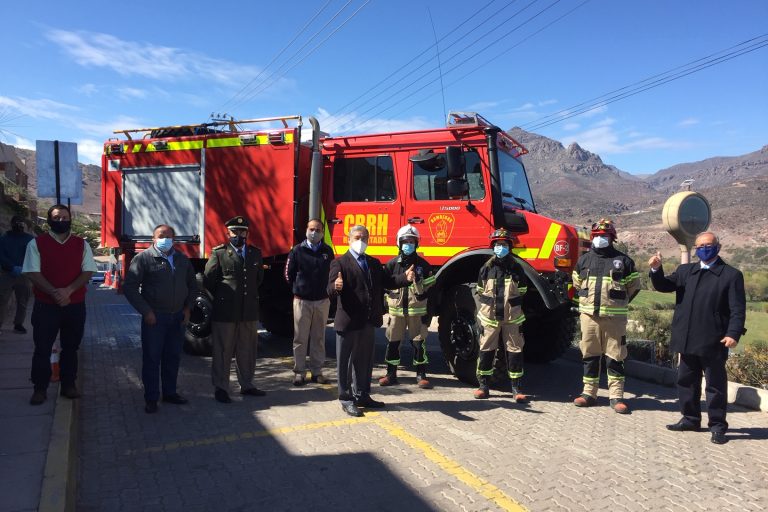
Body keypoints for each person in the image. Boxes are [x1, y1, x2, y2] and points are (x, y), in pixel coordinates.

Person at [649, 231, 746, 445]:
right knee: (686, 382)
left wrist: (733, 333)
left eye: (708, 245)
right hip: (687, 337)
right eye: (700, 246)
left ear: (718, 247)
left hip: (714, 340)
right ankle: (690, 419)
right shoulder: (686, 271)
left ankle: (718, 426)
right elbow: (663, 285)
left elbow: (738, 309)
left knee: (715, 386)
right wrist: (656, 269)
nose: (703, 249)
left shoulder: (731, 275)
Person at [328, 225, 415, 417]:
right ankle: (346, 398)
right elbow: (330, 290)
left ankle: (363, 394)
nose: (361, 241)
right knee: (346, 362)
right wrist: (336, 286)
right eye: (358, 237)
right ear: (349, 239)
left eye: (365, 238)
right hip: (349, 322)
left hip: (368, 321)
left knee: (365, 361)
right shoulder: (340, 263)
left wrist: (405, 278)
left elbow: (388, 281)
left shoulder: (373, 263)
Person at [23, 205, 97, 405]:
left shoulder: (81, 244)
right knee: (42, 348)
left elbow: (88, 271)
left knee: (71, 347)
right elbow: (32, 272)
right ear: (49, 220)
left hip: (74, 306)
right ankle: (39, 389)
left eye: (65, 217)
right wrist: (55, 292)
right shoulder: (37, 244)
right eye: (57, 217)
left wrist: (68, 291)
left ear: (70, 219)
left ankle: (68, 385)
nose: (61, 220)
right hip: (46, 305)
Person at [124, 224, 196, 414]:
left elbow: (192, 284)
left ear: (174, 238)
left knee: (172, 357)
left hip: (178, 318)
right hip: (155, 318)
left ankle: (170, 393)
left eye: (168, 235)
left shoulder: (181, 259)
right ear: (153, 239)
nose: (165, 238)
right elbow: (130, 287)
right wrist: (146, 311)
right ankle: (151, 398)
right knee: (152, 358)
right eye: (160, 235)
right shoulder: (144, 259)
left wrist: (188, 309)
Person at [571, 219, 640, 414]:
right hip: (589, 317)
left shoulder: (624, 261)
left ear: (612, 238)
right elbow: (577, 284)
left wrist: (617, 304)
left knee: (615, 357)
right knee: (589, 356)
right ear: (593, 238)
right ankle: (588, 394)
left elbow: (633, 288)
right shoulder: (584, 260)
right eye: (598, 236)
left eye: (605, 236)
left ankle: (616, 397)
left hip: (614, 319)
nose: (601, 239)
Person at [204, 216, 265, 403]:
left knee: (247, 350)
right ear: (227, 233)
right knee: (223, 351)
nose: (238, 235)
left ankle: (247, 384)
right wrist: (224, 298)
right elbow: (209, 280)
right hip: (226, 312)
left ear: (247, 233)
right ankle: (221, 387)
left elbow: (258, 279)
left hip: (248, 311)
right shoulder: (220, 253)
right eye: (234, 232)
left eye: (242, 231)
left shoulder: (255, 253)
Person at [474, 228, 531, 401]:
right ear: (493, 246)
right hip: (489, 318)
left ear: (509, 246)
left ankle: (516, 388)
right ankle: (483, 386)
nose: (501, 247)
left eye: (504, 244)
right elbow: (480, 290)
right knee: (486, 350)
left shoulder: (517, 268)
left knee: (515, 351)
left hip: (512, 318)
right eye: (498, 244)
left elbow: (522, 290)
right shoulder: (486, 268)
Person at [379, 224, 436, 389]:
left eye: (412, 241)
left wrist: (428, 315)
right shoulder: (391, 265)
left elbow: (431, 293)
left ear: (417, 244)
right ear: (399, 243)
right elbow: (384, 287)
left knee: (419, 344)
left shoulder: (424, 266)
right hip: (396, 313)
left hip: (417, 313)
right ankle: (391, 374)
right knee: (393, 343)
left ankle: (421, 375)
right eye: (405, 241)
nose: (408, 244)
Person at [285, 218, 334, 386]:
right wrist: (298, 288)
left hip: (322, 301)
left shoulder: (327, 251)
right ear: (306, 230)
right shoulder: (297, 250)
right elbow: (288, 274)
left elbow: (332, 273)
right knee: (300, 338)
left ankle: (317, 371)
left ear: (322, 232)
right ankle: (299, 372)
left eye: (318, 230)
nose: (315, 232)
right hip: (302, 301)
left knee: (318, 337)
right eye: (312, 229)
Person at [0, 215, 34, 334]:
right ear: (12, 224)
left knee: (22, 300)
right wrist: (10, 267)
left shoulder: (29, 239)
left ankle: (18, 324)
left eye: (21, 222)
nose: (19, 225)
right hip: (7, 273)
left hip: (23, 274)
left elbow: (32, 256)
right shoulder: (4, 239)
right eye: (16, 222)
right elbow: (1, 255)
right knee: (2, 300)